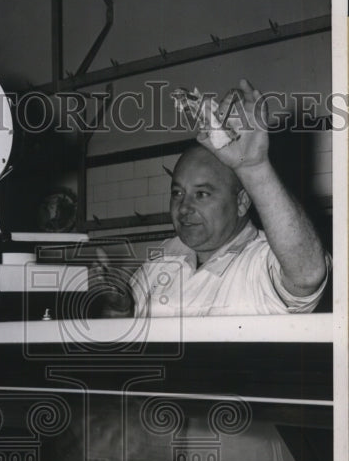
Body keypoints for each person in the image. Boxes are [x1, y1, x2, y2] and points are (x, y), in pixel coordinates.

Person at [130, 79, 331, 316]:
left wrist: (254, 168)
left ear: (242, 202)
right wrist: (117, 312)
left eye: (202, 194)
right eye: (177, 193)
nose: (183, 207)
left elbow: (307, 275)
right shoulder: (163, 258)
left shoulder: (260, 262)